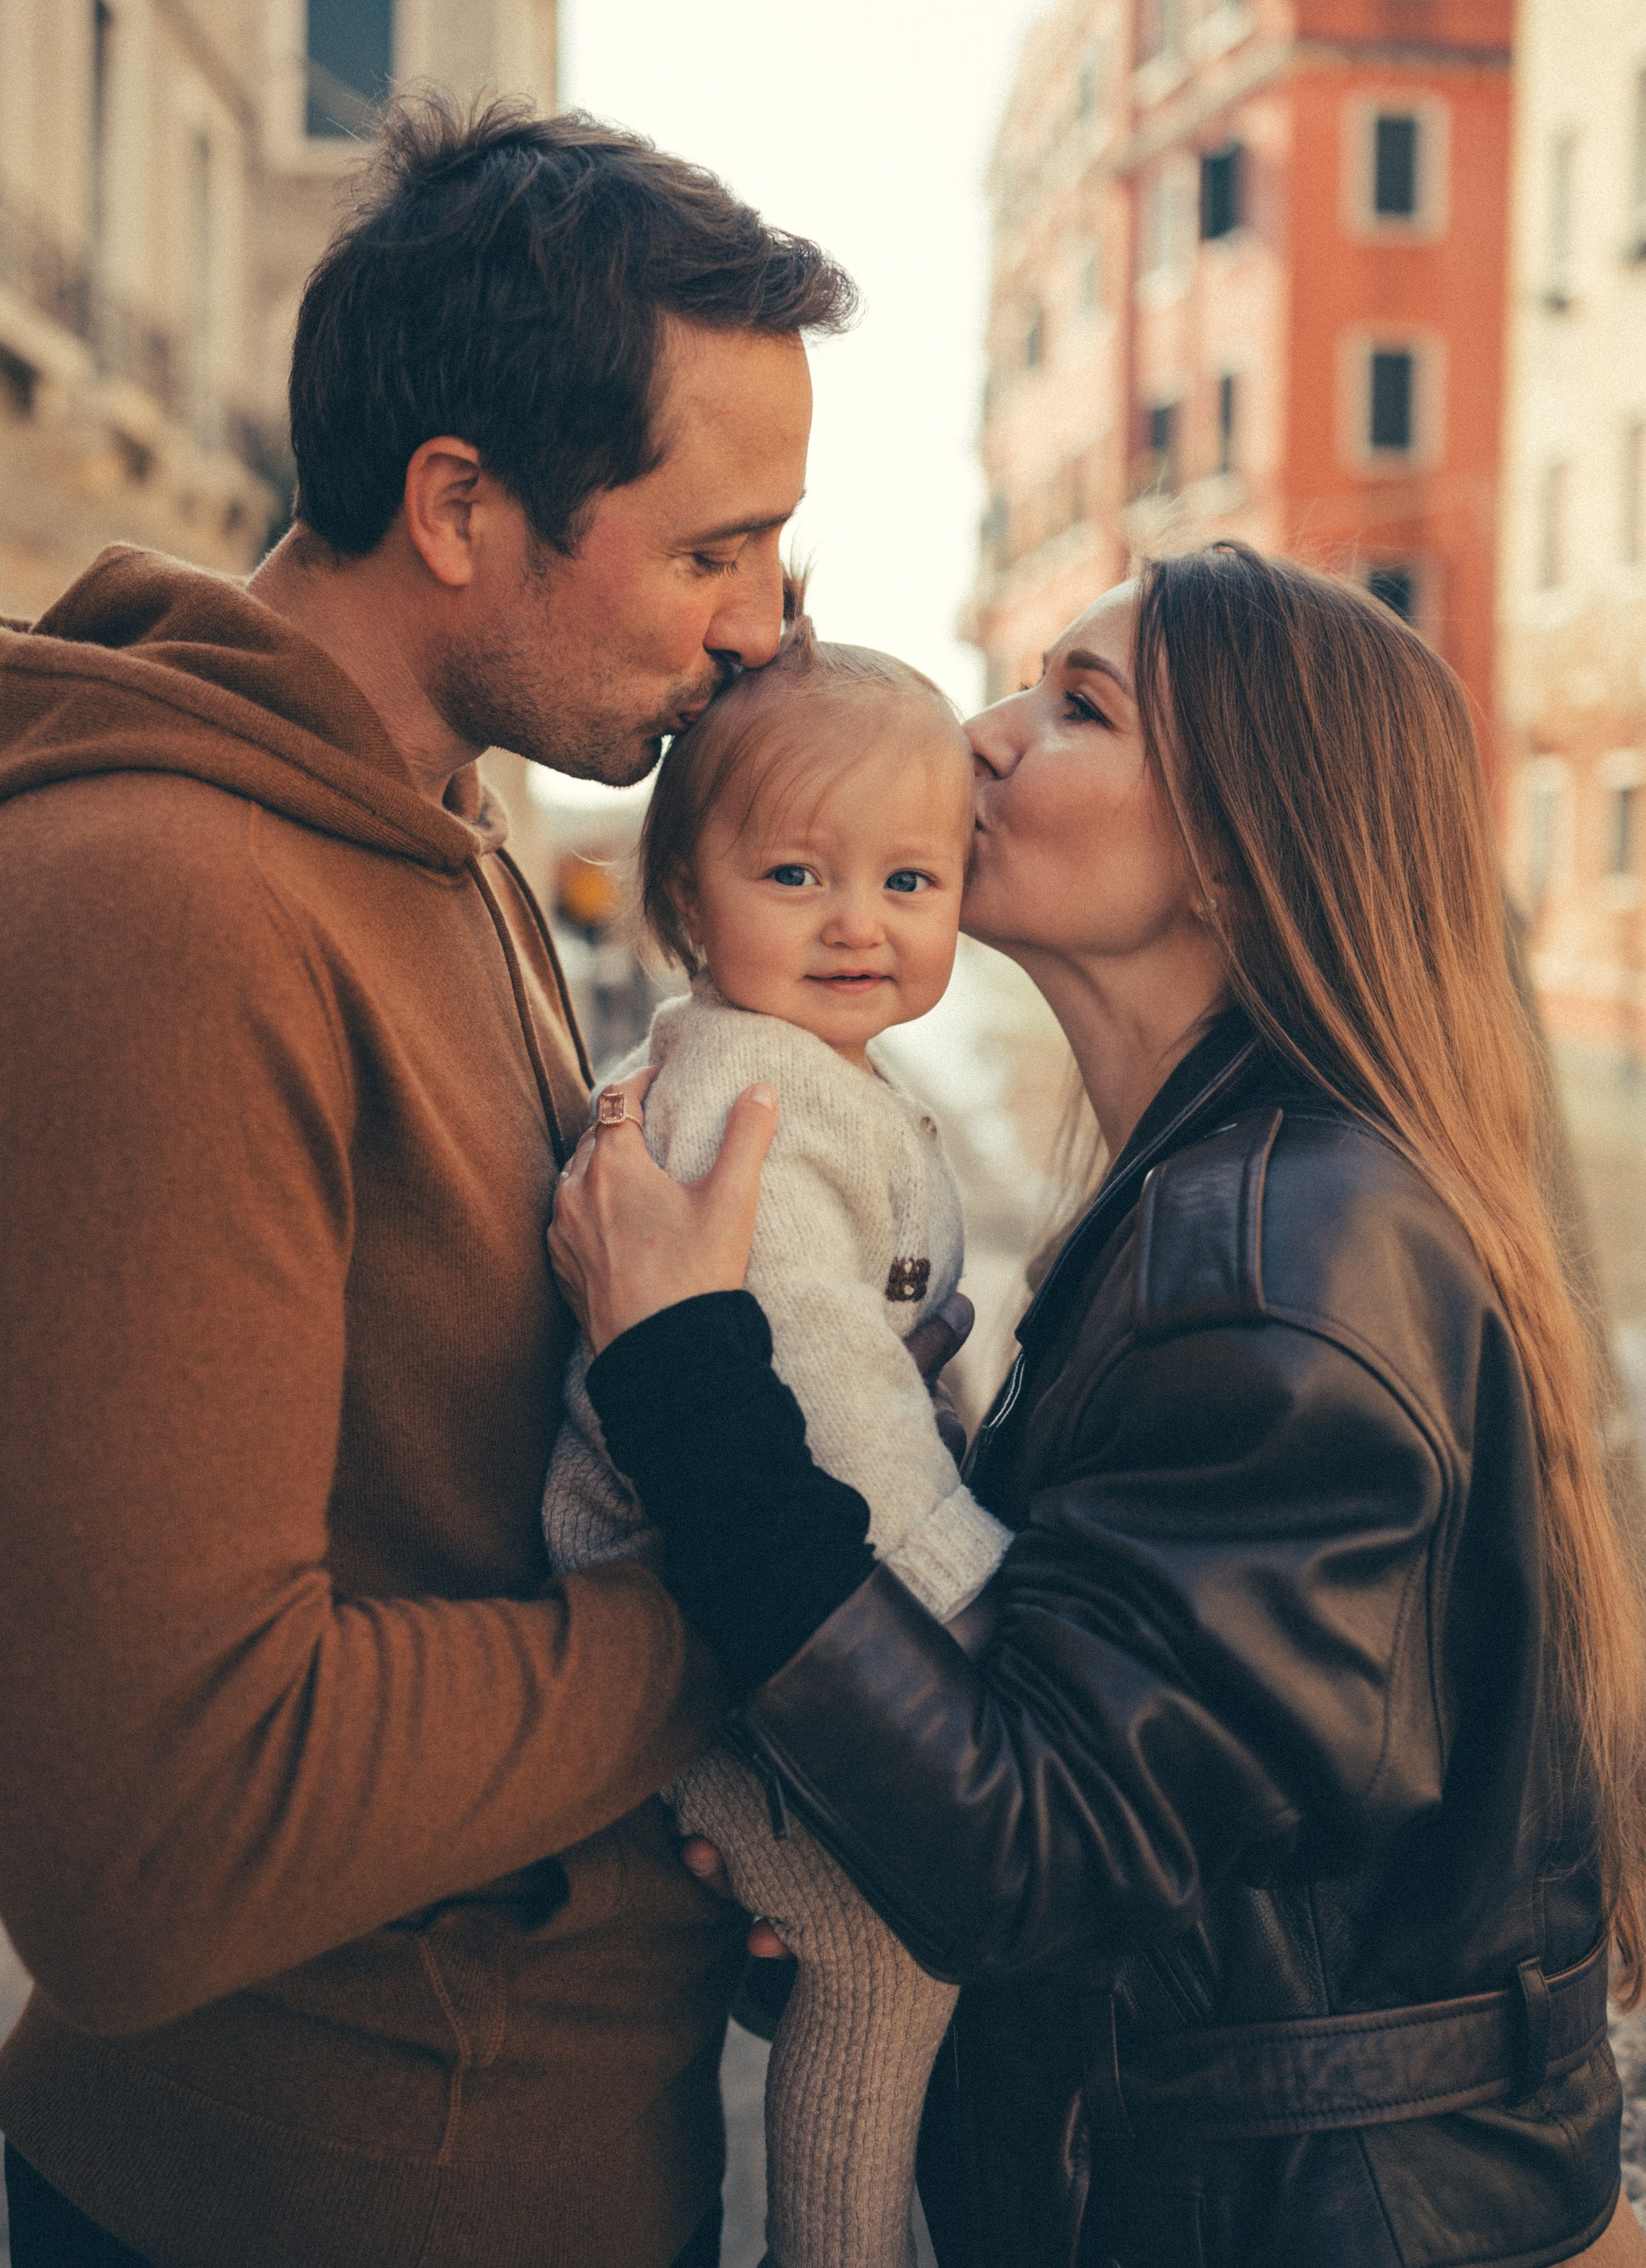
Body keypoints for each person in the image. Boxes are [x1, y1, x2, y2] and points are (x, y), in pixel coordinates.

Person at [0, 94, 856, 2268]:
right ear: (458, 506)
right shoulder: (142, 912)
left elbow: (446, 1482)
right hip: (314, 2193)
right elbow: (152, 1832)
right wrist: (761, 1608)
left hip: (539, 2147)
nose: (764, 630)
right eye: (714, 546)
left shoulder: (439, 828)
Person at [551, 542, 1646, 2268]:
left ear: (1233, 843)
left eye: (1076, 706)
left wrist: (683, 1375)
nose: (981, 739)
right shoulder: (1222, 1188)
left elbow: (1030, 1841)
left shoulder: (1275, 1249)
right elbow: (1155, 1826)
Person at [543, 615, 1010, 2268]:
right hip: (704, 1591)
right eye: (796, 874)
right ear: (684, 894)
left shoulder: (809, 1073)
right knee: (876, 1955)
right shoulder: (757, 1096)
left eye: (908, 882)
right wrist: (970, 1593)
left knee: (859, 1940)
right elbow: (822, 1372)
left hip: (737, 1579)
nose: (856, 926)